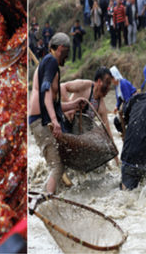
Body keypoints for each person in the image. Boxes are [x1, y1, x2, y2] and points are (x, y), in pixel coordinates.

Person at [28, 33, 88, 194]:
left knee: (58, 165)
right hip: (40, 121)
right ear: (61, 48)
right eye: (67, 54)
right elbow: (45, 90)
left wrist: (73, 105)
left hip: (39, 119)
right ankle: (46, 200)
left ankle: (51, 197)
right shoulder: (51, 61)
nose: (67, 59)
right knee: (57, 166)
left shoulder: (47, 63)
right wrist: (55, 121)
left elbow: (51, 104)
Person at [60, 67, 119, 165]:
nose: (109, 87)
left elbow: (108, 132)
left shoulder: (102, 107)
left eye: (110, 84)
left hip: (80, 135)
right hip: (66, 124)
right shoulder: (84, 86)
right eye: (107, 83)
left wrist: (115, 157)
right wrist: (70, 105)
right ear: (99, 81)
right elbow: (61, 87)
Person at [110, 66, 136, 133]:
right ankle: (124, 133)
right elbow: (119, 100)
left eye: (111, 78)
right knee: (117, 121)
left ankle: (126, 133)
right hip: (127, 105)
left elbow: (128, 100)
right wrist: (117, 106)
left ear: (115, 77)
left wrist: (123, 110)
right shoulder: (117, 86)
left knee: (118, 121)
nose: (111, 81)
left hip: (133, 104)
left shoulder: (123, 83)